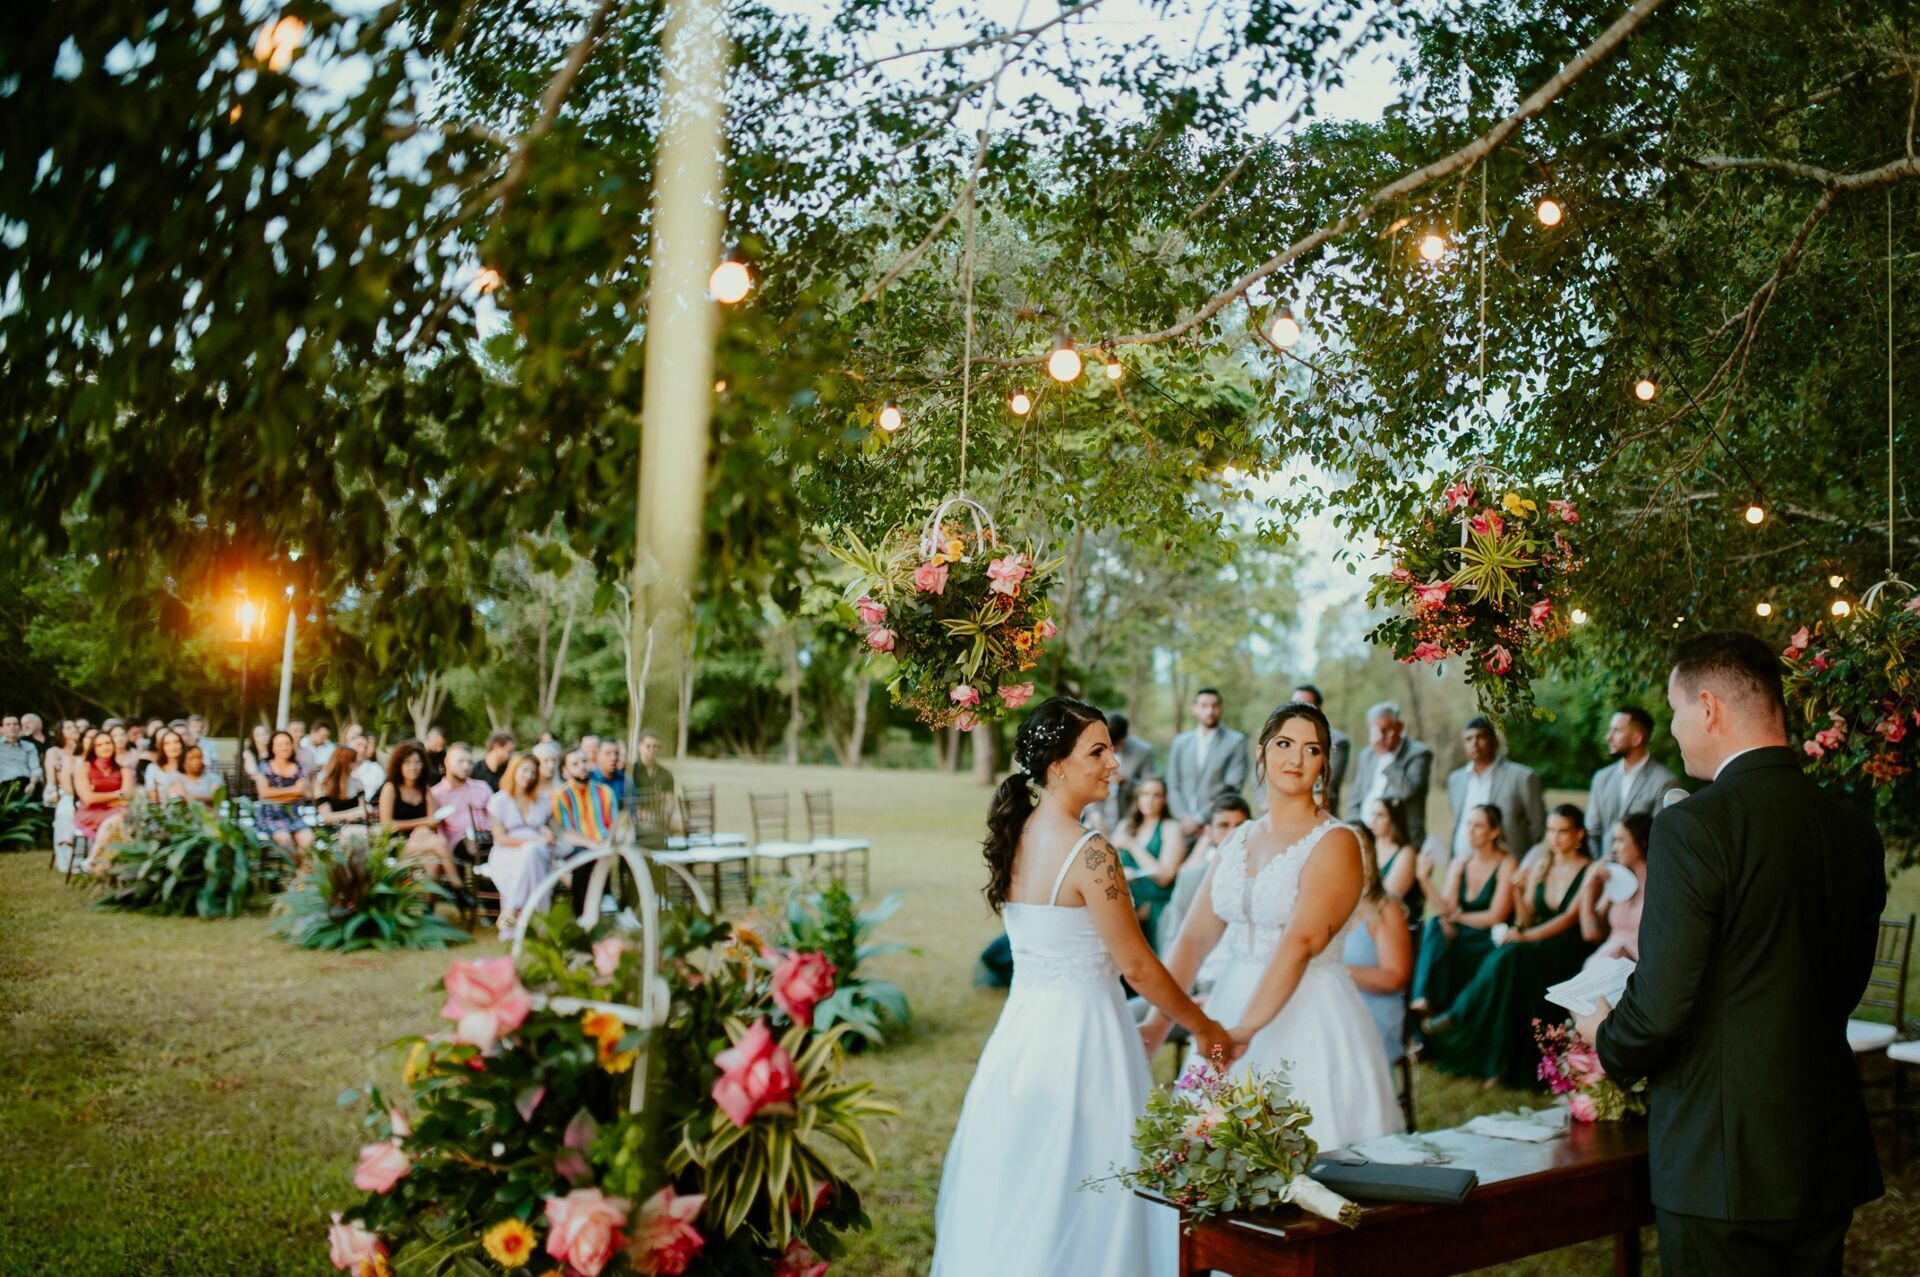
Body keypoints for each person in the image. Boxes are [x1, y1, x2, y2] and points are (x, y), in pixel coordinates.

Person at [1576, 632, 1885, 1275]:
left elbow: (1661, 1006)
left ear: (1709, 707)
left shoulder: (1694, 826)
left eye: (1675, 710)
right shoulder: (1851, 828)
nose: (1673, 728)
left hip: (1723, 1158)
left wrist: (1607, 1037)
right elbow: (1845, 983)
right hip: (1823, 1144)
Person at [932, 697, 1234, 1277]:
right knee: (1095, 1184)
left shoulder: (1014, 835)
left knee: (1030, 1190)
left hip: (1021, 1044)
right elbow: (1138, 967)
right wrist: (1205, 1027)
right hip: (1087, 1046)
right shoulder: (1092, 852)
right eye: (1097, 751)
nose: (1114, 764)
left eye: (1112, 751)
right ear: (1056, 766)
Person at [1146, 699, 1402, 1150]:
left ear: (1324, 764)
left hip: (1309, 1010)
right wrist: (1158, 1022)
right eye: (1285, 744)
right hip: (1229, 1000)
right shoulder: (1236, 838)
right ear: (1262, 752)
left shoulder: (1337, 842)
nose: (1296, 759)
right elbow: (1195, 937)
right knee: (1220, 1159)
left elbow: (1301, 942)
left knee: (1305, 1159)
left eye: (1312, 749)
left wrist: (1247, 1028)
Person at [1423, 804, 1593, 1087]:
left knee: (1510, 954)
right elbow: (1526, 917)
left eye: (1562, 831)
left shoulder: (1588, 869)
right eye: (1550, 831)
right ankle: (1495, 1064)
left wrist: (1524, 937)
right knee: (1507, 967)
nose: (1554, 838)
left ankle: (1458, 1014)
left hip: (1564, 950)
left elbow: (1567, 918)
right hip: (1534, 945)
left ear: (1579, 834)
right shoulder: (1542, 865)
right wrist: (1517, 892)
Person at [1409, 804, 1516, 1019]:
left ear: (1494, 832)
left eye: (1478, 826)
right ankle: (1422, 999)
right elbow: (1446, 907)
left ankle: (1438, 1008)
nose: (1469, 830)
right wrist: (1424, 879)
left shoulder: (1507, 863)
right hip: (1463, 930)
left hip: (1488, 937)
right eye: (1468, 824)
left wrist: (1458, 918)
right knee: (1434, 924)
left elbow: (1497, 915)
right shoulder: (1461, 862)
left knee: (1442, 929)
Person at [1341, 821, 1413, 1070]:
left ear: (1368, 857)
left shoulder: (1385, 909)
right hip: (1332, 1006)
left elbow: (1395, 977)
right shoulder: (1326, 908)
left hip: (1372, 1015)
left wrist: (1338, 972)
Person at [1442, 715, 1545, 873]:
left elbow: (1538, 827)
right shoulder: (1455, 780)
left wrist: (1524, 864)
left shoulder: (1522, 777)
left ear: (1494, 741)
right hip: (1463, 866)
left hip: (1508, 867)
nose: (1474, 744)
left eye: (1480, 737)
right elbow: (1456, 821)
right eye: (1468, 739)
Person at [1155, 794, 1252, 956]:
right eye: (1223, 825)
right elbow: (1173, 935)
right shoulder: (1190, 879)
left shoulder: (1266, 873)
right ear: (1208, 832)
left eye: (1239, 825)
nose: (1233, 832)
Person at [1585, 706, 1680, 852]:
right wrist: (1600, 866)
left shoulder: (1665, 781)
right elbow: (1592, 831)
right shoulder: (1601, 778)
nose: (1608, 737)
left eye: (1616, 730)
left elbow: (1661, 838)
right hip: (1603, 870)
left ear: (1636, 738)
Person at [484, 754, 557, 939]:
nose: (529, 776)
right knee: (530, 853)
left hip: (539, 851)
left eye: (533, 772)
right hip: (507, 852)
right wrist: (533, 841)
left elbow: (552, 830)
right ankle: (541, 922)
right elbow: (500, 839)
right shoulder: (499, 800)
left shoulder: (542, 800)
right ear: (514, 770)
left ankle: (512, 909)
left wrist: (547, 833)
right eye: (525, 770)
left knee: (532, 853)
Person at [1163, 687, 1249, 842]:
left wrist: (1199, 819)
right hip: (1181, 824)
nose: (1210, 711)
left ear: (1221, 708)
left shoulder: (1236, 742)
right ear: (1195, 709)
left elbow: (1232, 787)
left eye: (1215, 706)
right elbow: (1172, 783)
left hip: (1216, 824)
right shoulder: (1180, 742)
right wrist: (1184, 818)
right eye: (1204, 706)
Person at [1344, 701, 1434, 844]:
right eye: (1378, 730)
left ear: (1401, 726)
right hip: (1365, 835)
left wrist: (1386, 756)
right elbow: (1356, 798)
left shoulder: (1419, 753)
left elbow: (1408, 791)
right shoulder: (1366, 755)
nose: (1385, 736)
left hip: (1401, 840)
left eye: (1387, 729)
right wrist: (1354, 829)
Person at [1111, 776, 1186, 944]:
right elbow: (1110, 866)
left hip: (1156, 905)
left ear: (1164, 799)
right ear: (1137, 797)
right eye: (1144, 794)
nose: (1149, 800)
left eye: (1156, 795)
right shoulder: (1125, 825)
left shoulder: (1170, 828)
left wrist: (1132, 845)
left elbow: (1165, 877)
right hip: (1127, 903)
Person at [379, 740, 460, 888]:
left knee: (432, 860)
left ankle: (429, 907)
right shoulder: (390, 789)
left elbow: (433, 824)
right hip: (396, 845)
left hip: (422, 842)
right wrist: (422, 823)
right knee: (439, 843)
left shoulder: (425, 790)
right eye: (408, 763)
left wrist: (422, 828)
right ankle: (458, 888)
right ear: (399, 765)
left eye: (417, 762)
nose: (413, 767)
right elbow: (387, 826)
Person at [1579, 811, 1654, 967]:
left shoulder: (1658, 884)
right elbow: (1591, 933)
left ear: (1642, 844)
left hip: (1638, 968)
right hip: (1606, 963)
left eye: (1620, 840)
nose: (1613, 849)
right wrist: (1588, 887)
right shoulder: (1617, 879)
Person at [551, 747, 619, 913]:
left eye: (584, 762)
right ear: (565, 771)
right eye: (575, 764)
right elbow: (565, 832)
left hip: (607, 842)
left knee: (629, 851)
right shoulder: (560, 796)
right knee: (583, 857)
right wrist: (594, 845)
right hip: (578, 845)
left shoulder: (605, 792)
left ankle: (625, 907)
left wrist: (608, 842)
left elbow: (615, 825)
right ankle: (582, 912)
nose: (582, 766)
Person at [252, 730, 316, 863]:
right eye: (279, 744)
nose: (284, 747)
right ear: (273, 748)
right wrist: (292, 791)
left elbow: (301, 792)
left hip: (293, 817)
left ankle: (301, 877)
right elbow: (264, 793)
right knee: (284, 840)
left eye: (287, 743)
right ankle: (293, 874)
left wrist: (274, 793)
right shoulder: (264, 766)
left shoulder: (299, 767)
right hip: (270, 817)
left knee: (308, 840)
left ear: (292, 746)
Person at [1288, 683, 1350, 816]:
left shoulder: (1338, 742)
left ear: (1319, 709)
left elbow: (1327, 781)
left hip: (1320, 813)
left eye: (1306, 706)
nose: (1299, 710)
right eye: (1294, 704)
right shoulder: (1281, 738)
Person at [1090, 711, 1156, 833]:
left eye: (1116, 745)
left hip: (1130, 818)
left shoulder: (1143, 751)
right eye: (1109, 745)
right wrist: (1093, 813)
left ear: (1125, 737)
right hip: (1096, 817)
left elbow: (1151, 787)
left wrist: (1126, 782)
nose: (1113, 749)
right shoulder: (1093, 747)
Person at [1365, 796, 1421, 917]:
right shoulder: (1368, 847)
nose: (1373, 820)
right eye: (1372, 814)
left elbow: (1389, 896)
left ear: (1394, 819)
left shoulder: (1406, 853)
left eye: (1380, 815)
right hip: (1367, 915)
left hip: (1391, 918)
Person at [628, 729, 677, 837]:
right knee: (654, 829)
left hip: (661, 816)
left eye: (656, 747)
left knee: (687, 826)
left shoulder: (666, 773)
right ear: (640, 747)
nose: (652, 750)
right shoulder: (632, 771)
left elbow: (669, 801)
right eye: (648, 746)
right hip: (638, 817)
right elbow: (630, 804)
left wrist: (666, 815)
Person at [313, 749, 370, 838]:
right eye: (353, 762)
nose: (355, 765)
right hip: (334, 830)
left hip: (357, 827)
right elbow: (327, 818)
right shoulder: (322, 786)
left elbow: (364, 813)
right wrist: (350, 815)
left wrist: (341, 815)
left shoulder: (358, 783)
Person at [45, 719, 81, 863]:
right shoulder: (54, 752)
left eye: (75, 727)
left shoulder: (83, 750)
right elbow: (51, 779)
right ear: (61, 732)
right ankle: (67, 838)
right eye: (68, 727)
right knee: (67, 804)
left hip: (82, 790)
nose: (73, 729)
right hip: (59, 791)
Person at [0, 713, 41, 804]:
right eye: (8, 724)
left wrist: (32, 784)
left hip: (28, 783)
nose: (12, 727)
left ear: (19, 727)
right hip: (5, 786)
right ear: (2, 729)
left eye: (15, 724)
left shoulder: (29, 746)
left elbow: (35, 768)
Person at [144, 728, 190, 802]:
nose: (173, 747)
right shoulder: (153, 768)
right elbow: (153, 799)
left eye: (176, 742)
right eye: (167, 743)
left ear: (182, 745)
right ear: (162, 747)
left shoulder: (190, 767)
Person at [350, 733, 387, 804]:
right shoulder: (342, 770)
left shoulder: (376, 769)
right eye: (358, 745)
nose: (362, 750)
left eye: (365, 747)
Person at [531, 740, 563, 804]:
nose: (551, 765)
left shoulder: (563, 788)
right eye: (546, 761)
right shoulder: (530, 788)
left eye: (554, 760)